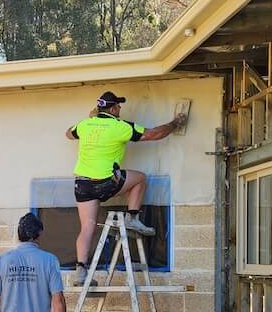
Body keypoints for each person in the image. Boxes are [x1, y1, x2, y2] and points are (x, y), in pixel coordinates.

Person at [65, 90, 186, 286]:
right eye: (118, 105)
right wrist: (174, 123)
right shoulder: (120, 126)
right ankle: (132, 218)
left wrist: (90, 120)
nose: (120, 108)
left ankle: (81, 272)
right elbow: (153, 134)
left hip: (82, 184)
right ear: (112, 109)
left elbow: (68, 133)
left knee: (87, 227)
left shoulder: (84, 124)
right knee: (140, 178)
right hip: (105, 183)